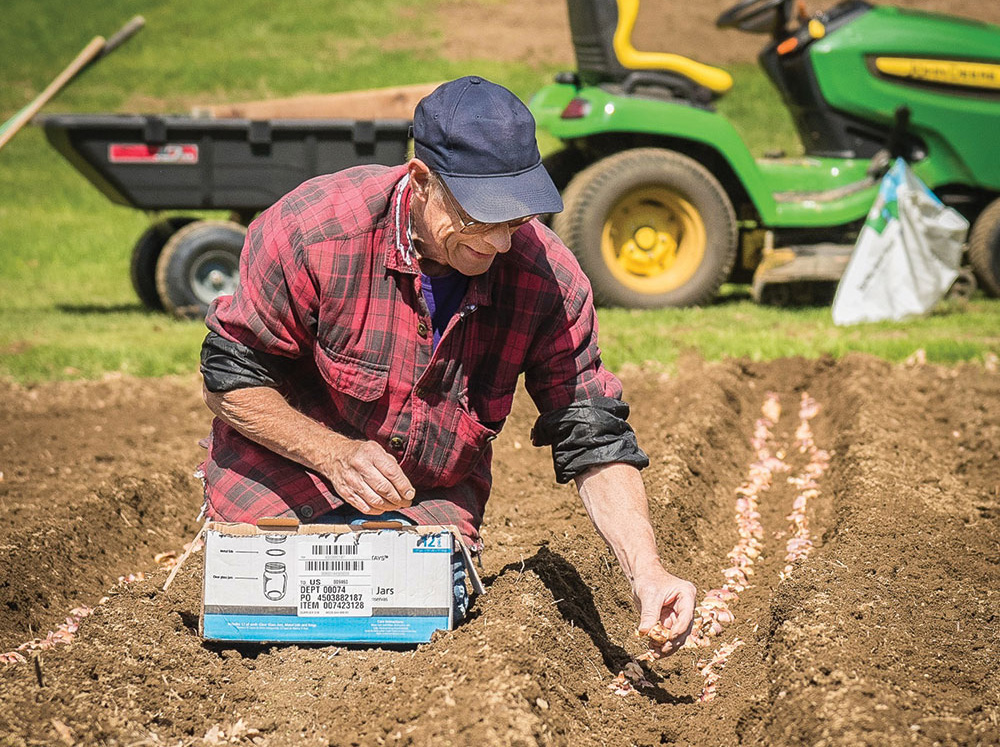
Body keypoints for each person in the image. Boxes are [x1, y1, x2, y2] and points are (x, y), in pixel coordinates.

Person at [198, 75, 696, 654]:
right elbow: (230, 377)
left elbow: (592, 434)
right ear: (421, 182)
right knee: (263, 618)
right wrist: (331, 453)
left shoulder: (548, 281)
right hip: (282, 472)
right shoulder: (313, 233)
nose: (502, 243)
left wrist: (647, 573)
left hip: (420, 494)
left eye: (516, 219)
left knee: (404, 623)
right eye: (482, 217)